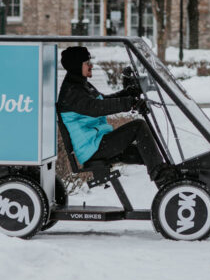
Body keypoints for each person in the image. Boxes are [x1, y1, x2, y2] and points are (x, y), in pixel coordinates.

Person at [56, 46, 175, 186]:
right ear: (77, 66)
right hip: (93, 148)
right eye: (87, 63)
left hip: (98, 143)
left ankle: (168, 185)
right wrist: (129, 103)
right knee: (138, 126)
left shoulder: (81, 85)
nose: (91, 65)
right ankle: (164, 180)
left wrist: (127, 93)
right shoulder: (72, 92)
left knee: (146, 154)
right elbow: (97, 108)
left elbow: (103, 100)